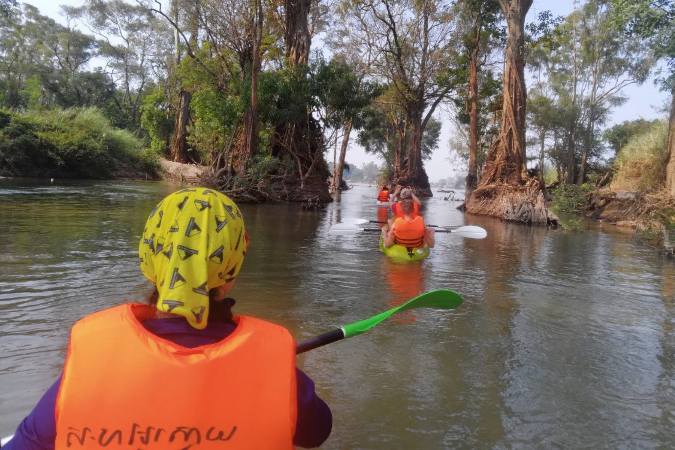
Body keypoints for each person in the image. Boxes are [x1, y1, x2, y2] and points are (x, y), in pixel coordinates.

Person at [3, 188, 332, 450]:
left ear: (149, 256)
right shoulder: (272, 360)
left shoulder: (92, 354)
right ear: (232, 266)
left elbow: (28, 442)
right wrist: (278, 377)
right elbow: (317, 431)